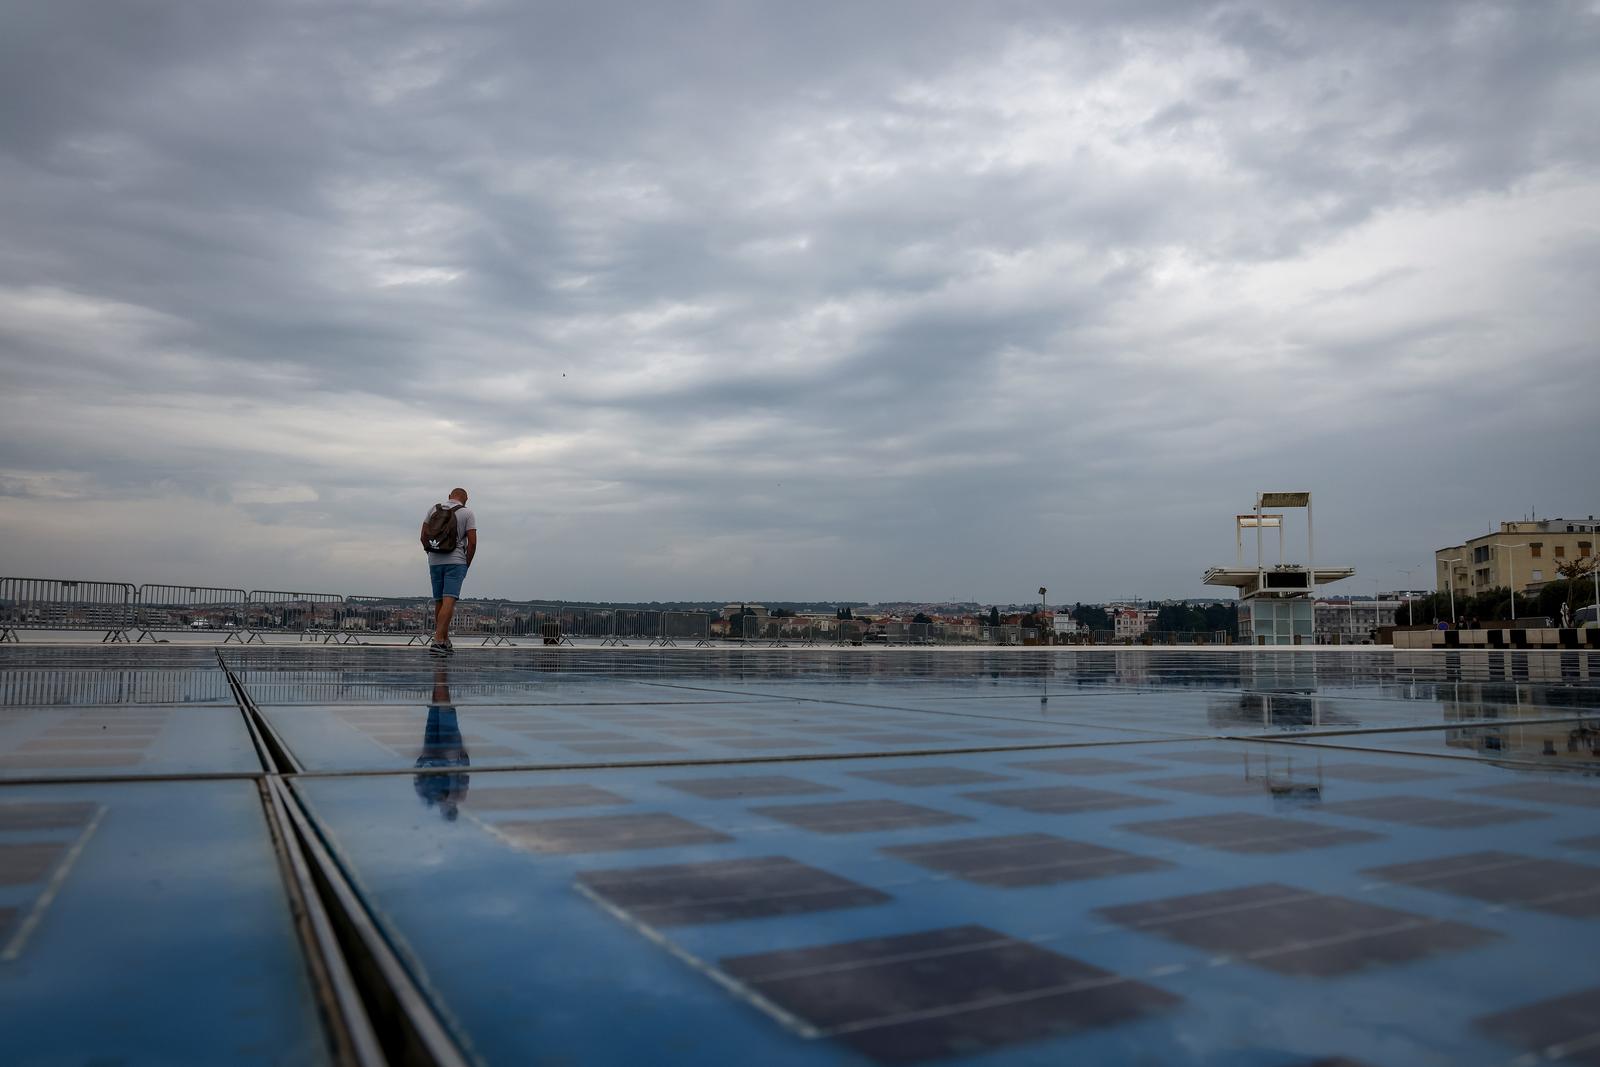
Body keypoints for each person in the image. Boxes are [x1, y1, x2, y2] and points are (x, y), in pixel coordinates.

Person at [421, 487, 477, 655]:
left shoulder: (434, 509)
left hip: (435, 560)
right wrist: (466, 563)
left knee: (439, 601)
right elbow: (473, 542)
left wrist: (430, 552)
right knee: (449, 601)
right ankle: (438, 640)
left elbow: (423, 535)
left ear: (449, 496)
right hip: (455, 561)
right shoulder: (467, 513)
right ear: (466, 499)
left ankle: (444, 640)